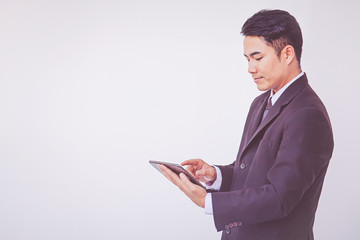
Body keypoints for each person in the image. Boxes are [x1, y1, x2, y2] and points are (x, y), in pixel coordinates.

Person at [158, 9, 334, 240]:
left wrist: (207, 201)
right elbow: (252, 174)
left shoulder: (308, 114)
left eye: (258, 58)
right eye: (248, 59)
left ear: (288, 53)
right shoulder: (261, 102)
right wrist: (215, 175)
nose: (251, 69)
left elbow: (279, 197)